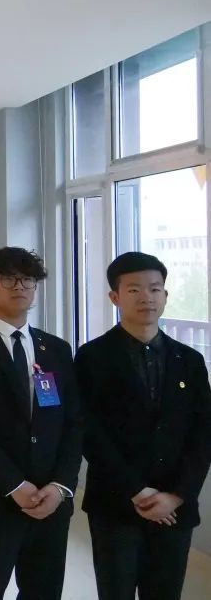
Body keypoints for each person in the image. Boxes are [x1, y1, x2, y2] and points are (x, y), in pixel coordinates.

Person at [0, 247, 82, 600]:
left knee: (44, 591)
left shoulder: (56, 349)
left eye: (28, 279)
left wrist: (61, 486)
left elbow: (73, 423)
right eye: (9, 279)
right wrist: (14, 484)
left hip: (51, 498)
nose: (20, 286)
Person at [75, 252, 211, 600]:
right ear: (115, 297)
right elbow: (89, 432)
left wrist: (177, 495)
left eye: (155, 288)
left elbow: (203, 433)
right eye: (134, 289)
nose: (146, 297)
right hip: (116, 503)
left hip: (175, 506)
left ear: (165, 295)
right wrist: (137, 491)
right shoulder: (92, 357)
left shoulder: (190, 360)